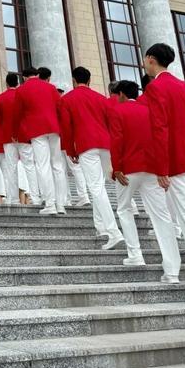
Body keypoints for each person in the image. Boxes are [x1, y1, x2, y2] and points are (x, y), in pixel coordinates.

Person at [143, 43, 185, 306]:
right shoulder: (184, 86)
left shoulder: (156, 88)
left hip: (178, 162)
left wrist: (162, 168)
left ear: (151, 60)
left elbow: (159, 129)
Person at [109, 79, 181, 278]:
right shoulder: (149, 111)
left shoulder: (118, 111)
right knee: (162, 216)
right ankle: (173, 270)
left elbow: (116, 141)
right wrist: (162, 169)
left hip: (128, 169)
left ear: (122, 94)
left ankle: (135, 254)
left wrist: (116, 168)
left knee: (124, 209)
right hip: (152, 169)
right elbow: (160, 138)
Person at [59, 66, 125, 249]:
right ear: (89, 80)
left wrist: (70, 151)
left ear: (74, 81)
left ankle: (113, 232)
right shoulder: (101, 98)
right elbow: (111, 122)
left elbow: (67, 127)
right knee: (101, 186)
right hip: (106, 143)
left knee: (96, 188)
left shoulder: (67, 99)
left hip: (86, 145)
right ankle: (102, 227)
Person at [13, 66, 66, 215]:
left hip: (36, 130)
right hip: (54, 128)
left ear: (24, 77)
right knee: (57, 165)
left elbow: (17, 114)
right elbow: (60, 107)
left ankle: (50, 203)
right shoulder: (51, 87)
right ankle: (61, 204)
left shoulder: (21, 90)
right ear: (37, 75)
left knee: (43, 166)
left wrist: (16, 133)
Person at [0, 72, 40, 206]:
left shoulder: (0, 99)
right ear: (18, 82)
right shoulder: (24, 95)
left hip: (8, 137)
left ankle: (13, 198)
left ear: (7, 83)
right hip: (24, 135)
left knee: (11, 167)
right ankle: (35, 197)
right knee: (30, 166)